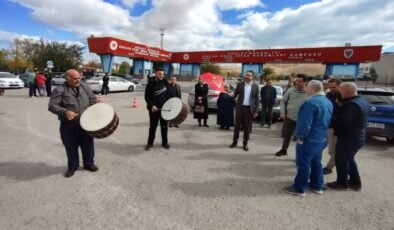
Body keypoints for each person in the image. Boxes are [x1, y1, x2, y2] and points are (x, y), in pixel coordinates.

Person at [283, 80, 333, 197]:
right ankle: (317, 185)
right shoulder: (327, 102)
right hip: (322, 138)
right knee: (316, 162)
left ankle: (299, 188)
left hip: (309, 139)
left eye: (307, 86)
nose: (305, 88)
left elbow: (305, 123)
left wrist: (300, 136)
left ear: (312, 89)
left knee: (303, 163)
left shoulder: (310, 103)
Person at [48, 69, 98, 177]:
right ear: (67, 78)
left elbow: (93, 99)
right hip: (69, 125)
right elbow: (52, 106)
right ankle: (72, 166)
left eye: (79, 77)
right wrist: (65, 112)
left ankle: (89, 163)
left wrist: (94, 105)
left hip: (86, 123)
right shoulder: (59, 90)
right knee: (71, 147)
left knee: (88, 145)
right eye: (75, 78)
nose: (78, 80)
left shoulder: (84, 86)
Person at [326, 82, 369, 191]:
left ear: (346, 91)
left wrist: (326, 122)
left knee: (341, 160)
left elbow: (342, 121)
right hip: (356, 137)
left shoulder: (352, 104)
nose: (340, 93)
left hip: (349, 137)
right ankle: (355, 182)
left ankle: (341, 183)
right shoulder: (361, 100)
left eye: (341, 91)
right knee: (349, 159)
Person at [275, 74, 308, 157]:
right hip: (290, 118)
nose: (297, 83)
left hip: (302, 120)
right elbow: (283, 101)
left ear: (305, 82)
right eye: (296, 81)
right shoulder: (290, 90)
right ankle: (284, 150)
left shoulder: (308, 92)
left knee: (300, 138)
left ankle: (300, 155)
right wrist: (282, 112)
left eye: (300, 81)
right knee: (287, 135)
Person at [229, 71, 259, 151]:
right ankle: (234, 142)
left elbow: (257, 100)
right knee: (237, 127)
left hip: (249, 109)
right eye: (246, 75)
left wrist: (256, 111)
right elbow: (235, 94)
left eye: (249, 75)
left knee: (247, 128)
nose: (247, 77)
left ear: (252, 77)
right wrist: (232, 94)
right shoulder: (240, 85)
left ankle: (245, 144)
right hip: (240, 108)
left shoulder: (255, 86)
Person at [144, 67, 171, 151]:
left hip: (164, 109)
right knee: (152, 127)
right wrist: (152, 105)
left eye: (163, 74)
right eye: (159, 74)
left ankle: (164, 143)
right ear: (156, 73)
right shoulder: (151, 83)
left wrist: (171, 104)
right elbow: (147, 96)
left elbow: (169, 94)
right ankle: (150, 143)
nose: (161, 76)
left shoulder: (165, 82)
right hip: (154, 110)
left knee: (164, 127)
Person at [323, 78, 342, 175]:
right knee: (322, 145)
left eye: (334, 87)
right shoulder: (329, 95)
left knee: (333, 149)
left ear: (339, 85)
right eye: (330, 87)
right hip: (326, 124)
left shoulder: (344, 96)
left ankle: (329, 167)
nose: (331, 89)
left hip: (335, 126)